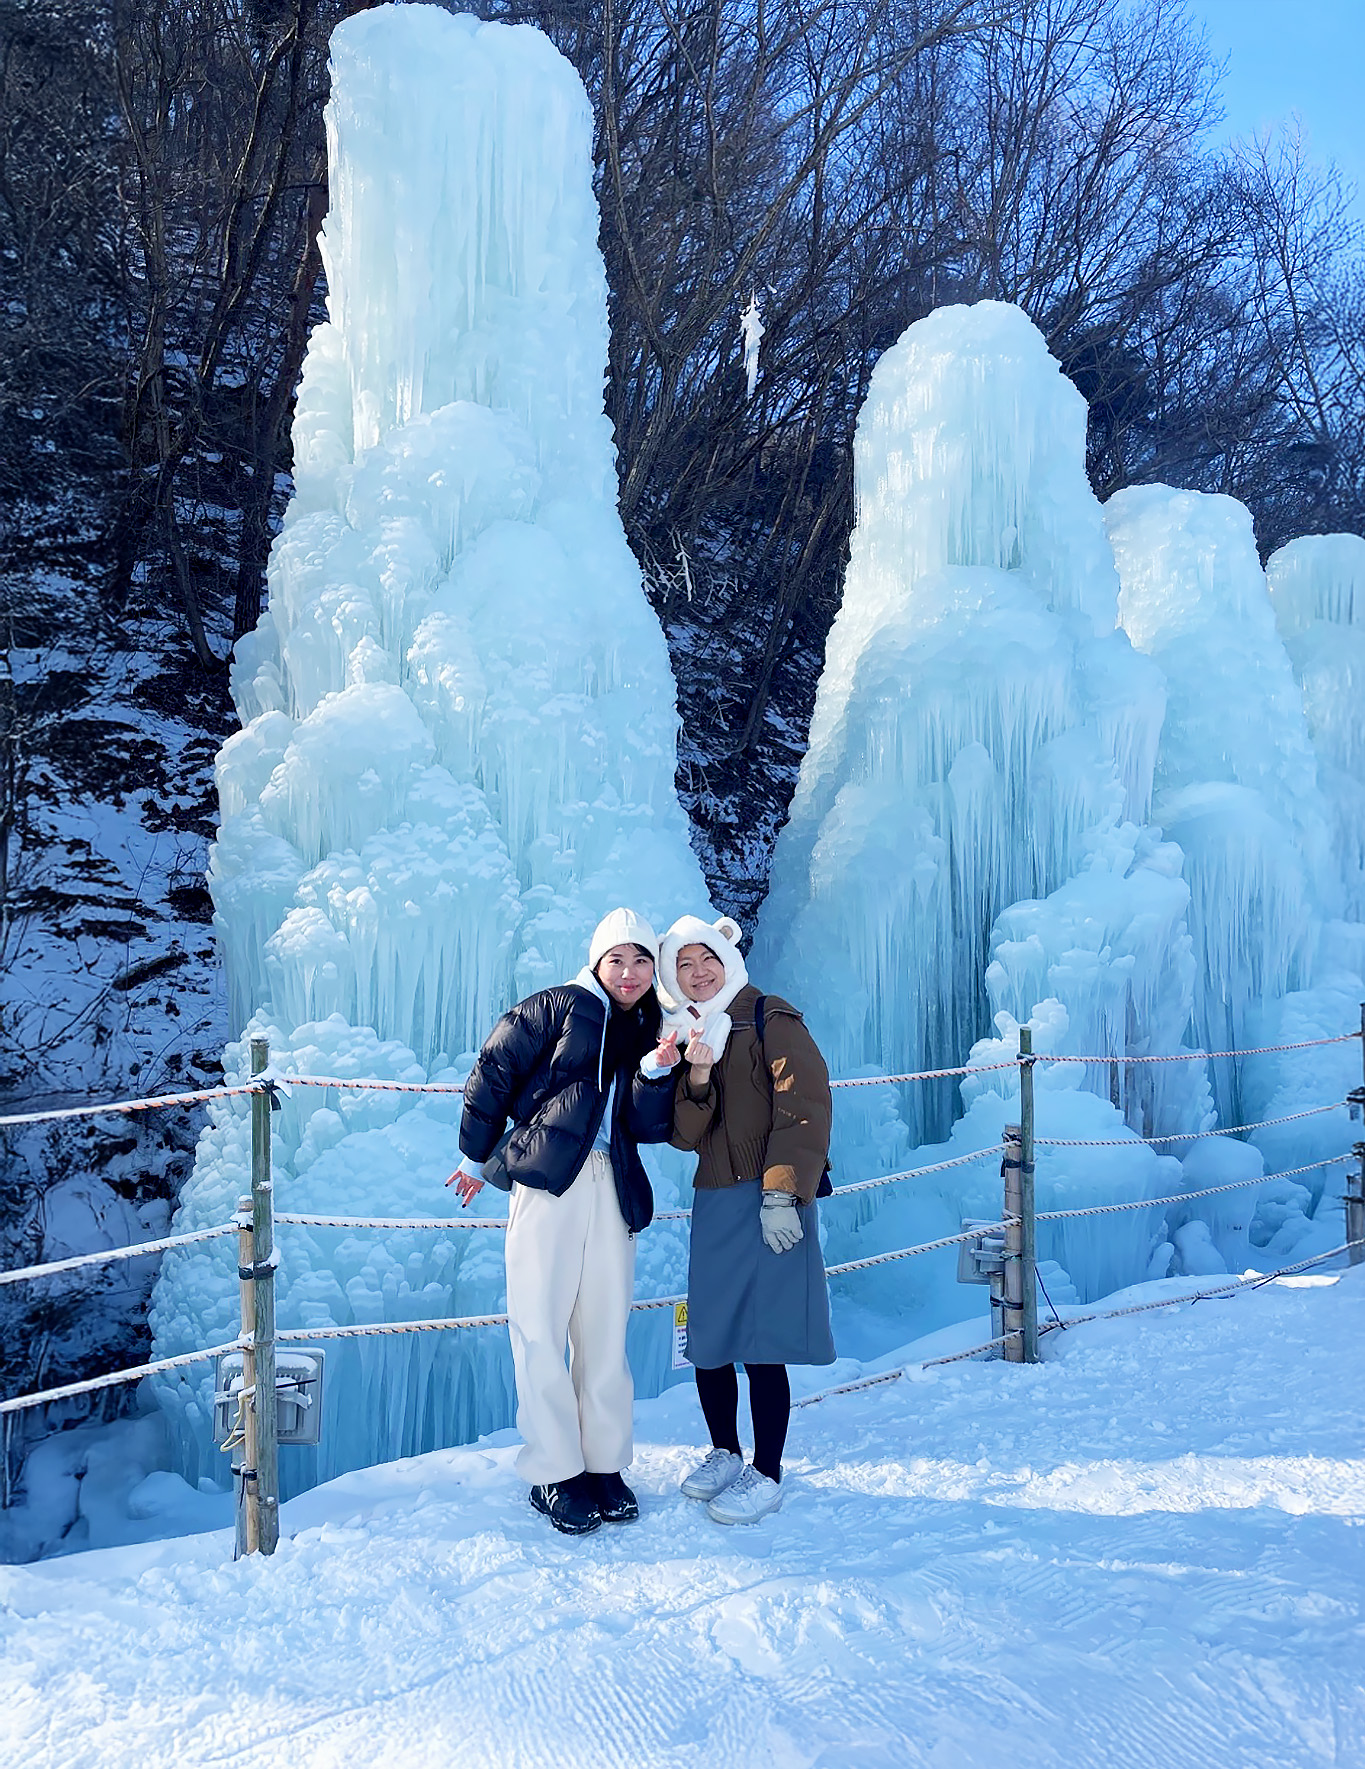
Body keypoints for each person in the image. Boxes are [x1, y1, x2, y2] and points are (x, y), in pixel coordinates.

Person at [447, 908, 679, 1537]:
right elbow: (493, 1069)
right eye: (617, 960)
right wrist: (477, 1154)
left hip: (613, 1183)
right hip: (549, 1181)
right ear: (597, 961)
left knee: (605, 1328)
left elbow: (649, 1125)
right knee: (540, 1325)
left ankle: (603, 1464)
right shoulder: (557, 1005)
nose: (629, 973)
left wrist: (657, 1072)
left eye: (641, 961)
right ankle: (555, 1471)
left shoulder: (648, 1026)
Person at [659, 914, 835, 1525]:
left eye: (706, 959)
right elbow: (685, 1135)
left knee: (763, 1343)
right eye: (684, 965)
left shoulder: (770, 1017)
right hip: (715, 1198)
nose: (698, 972)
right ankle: (725, 1453)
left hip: (768, 1197)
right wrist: (698, 1073)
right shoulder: (688, 1033)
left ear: (728, 959)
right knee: (709, 1336)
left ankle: (768, 1471)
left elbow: (805, 1106)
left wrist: (783, 1193)